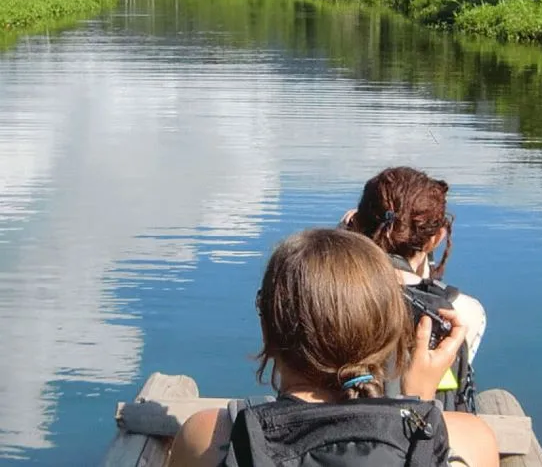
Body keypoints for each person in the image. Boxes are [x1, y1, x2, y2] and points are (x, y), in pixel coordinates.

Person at [168, 229, 498, 467]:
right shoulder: (468, 440)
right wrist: (419, 407)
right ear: (390, 330)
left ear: (268, 326)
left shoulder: (211, 438)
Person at [343, 166, 487, 365]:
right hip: (422, 393)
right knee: (498, 397)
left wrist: (342, 243)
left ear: (356, 226)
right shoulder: (464, 311)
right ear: (435, 239)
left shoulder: (328, 292)